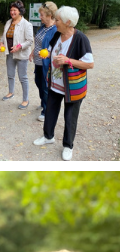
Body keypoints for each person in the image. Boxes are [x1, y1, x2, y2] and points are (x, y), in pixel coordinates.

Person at [33, 6, 93, 161]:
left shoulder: (80, 39)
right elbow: (52, 50)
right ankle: (48, 136)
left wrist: (68, 61)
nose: (55, 22)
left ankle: (68, 146)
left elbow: (89, 64)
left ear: (68, 22)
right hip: (55, 82)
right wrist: (45, 54)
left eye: (57, 20)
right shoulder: (57, 34)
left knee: (70, 116)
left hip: (72, 87)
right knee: (50, 111)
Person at [0, 1, 34, 110]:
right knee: (10, 74)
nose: (12, 12)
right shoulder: (8, 22)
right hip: (9, 54)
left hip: (21, 55)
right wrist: (1, 43)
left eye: (14, 10)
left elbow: (30, 41)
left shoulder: (26, 24)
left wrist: (19, 46)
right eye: (11, 10)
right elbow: (4, 36)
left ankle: (25, 99)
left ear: (20, 11)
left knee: (23, 77)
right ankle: (11, 92)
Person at [31, 3, 59, 123]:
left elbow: (56, 47)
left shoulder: (55, 30)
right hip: (38, 62)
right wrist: (32, 51)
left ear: (50, 15)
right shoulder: (42, 27)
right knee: (38, 83)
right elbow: (38, 42)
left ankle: (46, 111)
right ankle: (43, 103)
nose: (40, 17)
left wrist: (47, 52)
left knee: (45, 87)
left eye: (42, 15)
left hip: (46, 64)